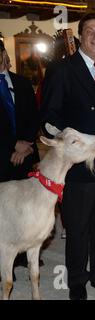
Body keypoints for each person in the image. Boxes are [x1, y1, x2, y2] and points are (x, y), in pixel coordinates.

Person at [41, 13, 95, 300]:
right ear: (79, 35)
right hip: (79, 162)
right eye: (90, 31)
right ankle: (76, 279)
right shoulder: (62, 69)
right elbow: (49, 116)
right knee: (78, 225)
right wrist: (71, 139)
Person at [0, 39, 41, 276]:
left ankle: (26, 255)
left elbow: (34, 118)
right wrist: (11, 145)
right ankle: (6, 262)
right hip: (1, 158)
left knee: (25, 208)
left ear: (3, 53)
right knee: (4, 213)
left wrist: (25, 145)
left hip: (24, 156)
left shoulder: (23, 83)